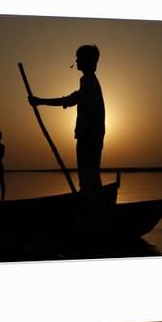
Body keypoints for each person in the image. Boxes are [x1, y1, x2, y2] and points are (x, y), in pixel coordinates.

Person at [29, 44, 106, 233]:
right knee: (91, 180)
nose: (76, 61)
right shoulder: (88, 82)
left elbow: (84, 110)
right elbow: (70, 100)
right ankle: (95, 214)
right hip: (92, 138)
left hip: (89, 139)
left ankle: (92, 220)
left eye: (79, 58)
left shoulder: (89, 82)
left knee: (89, 181)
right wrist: (40, 101)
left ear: (88, 61)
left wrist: (83, 134)